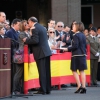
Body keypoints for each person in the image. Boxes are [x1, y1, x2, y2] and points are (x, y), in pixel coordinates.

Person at [23, 17, 52, 95]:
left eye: (28, 22)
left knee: (42, 71)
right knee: (46, 71)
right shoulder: (42, 27)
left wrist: (26, 40)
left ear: (32, 22)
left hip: (40, 53)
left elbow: (35, 40)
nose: (28, 24)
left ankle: (43, 89)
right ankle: (47, 88)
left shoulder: (34, 28)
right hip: (46, 52)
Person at [62, 22, 87, 93]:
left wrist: (67, 49)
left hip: (76, 55)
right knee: (82, 70)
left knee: (74, 70)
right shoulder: (83, 35)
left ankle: (79, 86)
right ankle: (84, 86)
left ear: (77, 27)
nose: (72, 27)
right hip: (83, 54)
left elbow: (75, 46)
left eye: (74, 26)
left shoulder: (76, 35)